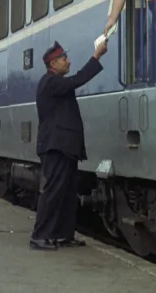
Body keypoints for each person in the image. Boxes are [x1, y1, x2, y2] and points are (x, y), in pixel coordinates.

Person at [30, 38, 108, 251]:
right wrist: (96, 56)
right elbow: (78, 80)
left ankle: (63, 235)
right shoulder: (51, 82)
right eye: (64, 59)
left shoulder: (56, 83)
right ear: (53, 64)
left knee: (66, 193)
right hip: (55, 147)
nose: (68, 62)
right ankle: (40, 236)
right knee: (54, 191)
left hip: (65, 147)